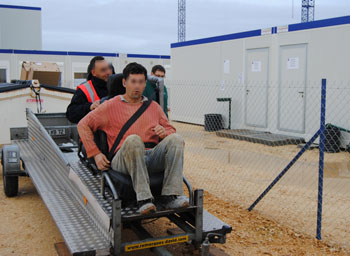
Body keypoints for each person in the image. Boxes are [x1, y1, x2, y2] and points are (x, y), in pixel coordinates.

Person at [78, 62, 188, 215]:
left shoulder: (153, 106)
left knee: (176, 139)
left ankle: (170, 196)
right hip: (123, 157)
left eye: (141, 82)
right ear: (124, 82)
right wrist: (95, 153)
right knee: (134, 140)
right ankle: (143, 200)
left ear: (145, 84)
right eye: (133, 81)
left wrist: (164, 132)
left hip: (150, 155)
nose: (137, 86)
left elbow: (171, 129)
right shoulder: (110, 105)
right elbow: (83, 125)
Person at [66, 56, 113, 123]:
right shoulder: (84, 89)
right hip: (93, 131)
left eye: (109, 68)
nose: (108, 72)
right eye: (103, 70)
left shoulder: (119, 86)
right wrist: (90, 107)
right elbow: (71, 114)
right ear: (93, 73)